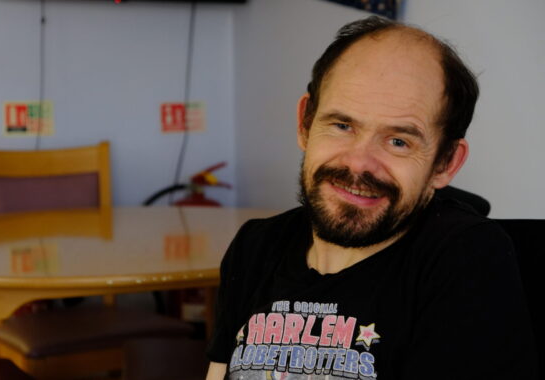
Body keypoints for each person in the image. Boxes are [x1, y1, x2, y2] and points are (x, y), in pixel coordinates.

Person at [205, 16, 538, 380]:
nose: (359, 164)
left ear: (445, 163)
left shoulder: (465, 259)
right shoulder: (255, 247)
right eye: (342, 125)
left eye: (399, 141)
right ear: (305, 123)